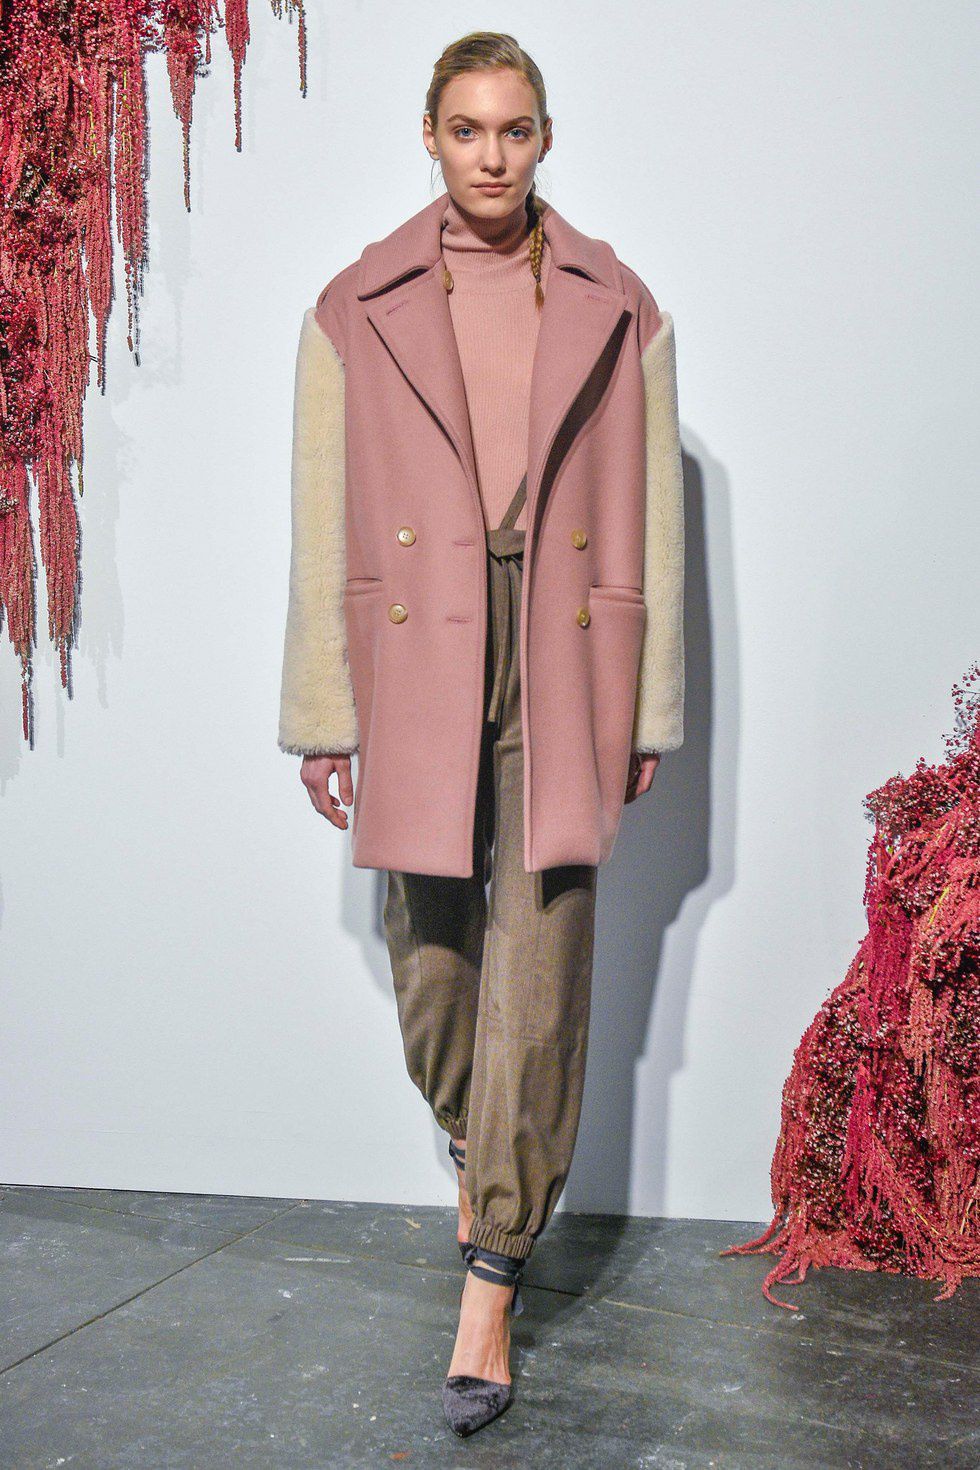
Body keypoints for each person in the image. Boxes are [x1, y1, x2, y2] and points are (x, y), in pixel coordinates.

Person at [278, 31, 685, 1438]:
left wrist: (652, 702)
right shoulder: (355, 303)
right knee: (438, 959)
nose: (492, 155)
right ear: (432, 136)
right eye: (467, 129)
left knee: (546, 942)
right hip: (418, 647)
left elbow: (654, 513)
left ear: (546, 137)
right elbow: (320, 515)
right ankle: (479, 1141)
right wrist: (323, 711)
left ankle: (492, 1273)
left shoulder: (619, 302)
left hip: (567, 642)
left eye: (515, 129)